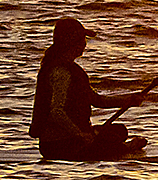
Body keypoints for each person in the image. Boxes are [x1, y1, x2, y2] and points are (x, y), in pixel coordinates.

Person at [32, 17, 150, 161]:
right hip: (58, 145)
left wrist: (128, 100)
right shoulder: (60, 72)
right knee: (107, 142)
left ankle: (108, 144)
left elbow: (97, 100)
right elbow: (56, 112)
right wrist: (80, 135)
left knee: (119, 131)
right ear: (71, 42)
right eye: (82, 39)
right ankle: (127, 148)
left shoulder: (71, 69)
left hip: (72, 139)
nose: (85, 44)